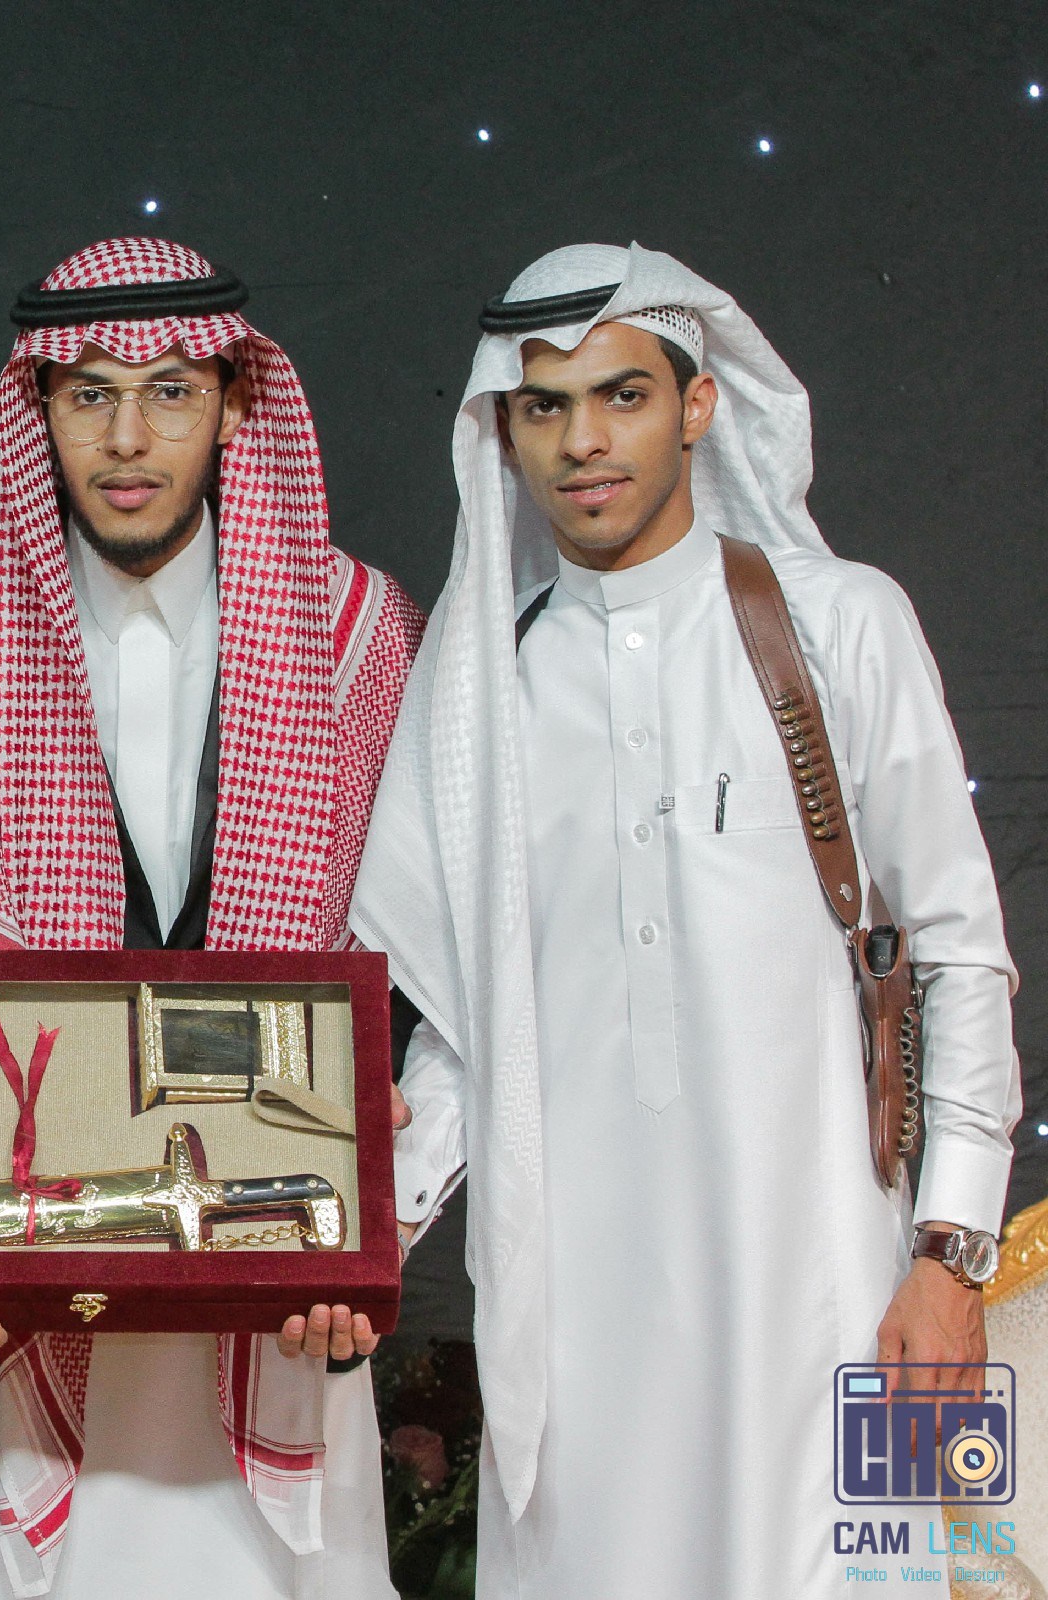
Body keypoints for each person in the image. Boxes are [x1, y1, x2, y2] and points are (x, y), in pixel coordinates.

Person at [353, 242, 1023, 1597]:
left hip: (850, 1295)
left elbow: (958, 955)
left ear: (698, 405)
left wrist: (953, 1257)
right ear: (503, 430)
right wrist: (362, 1240)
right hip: (578, 1338)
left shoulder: (842, 625)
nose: (583, 443)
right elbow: (468, 1033)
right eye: (544, 407)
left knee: (896, 1575)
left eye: (623, 396)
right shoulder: (484, 696)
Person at [0, 237, 420, 1599]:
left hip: (281, 1298)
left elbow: (419, 983)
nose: (127, 440)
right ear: (39, 406)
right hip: (0, 1307)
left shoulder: (355, 636)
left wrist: (378, 1216)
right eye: (88, 395)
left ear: (238, 403)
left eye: (170, 392)